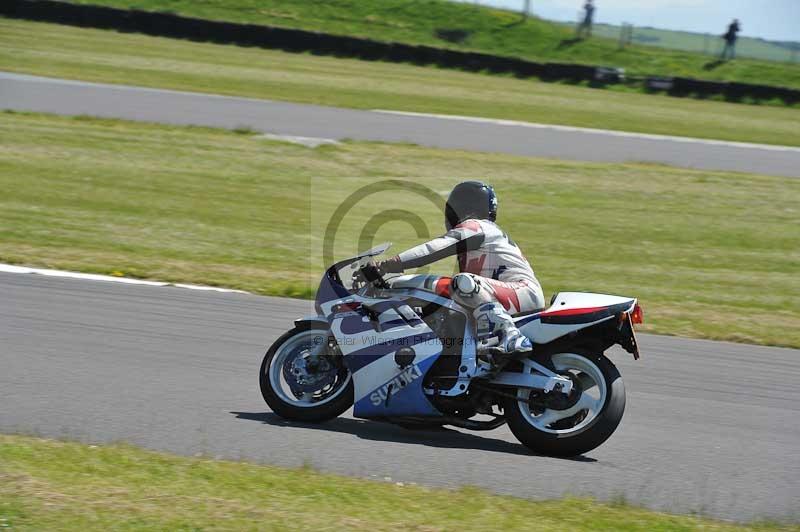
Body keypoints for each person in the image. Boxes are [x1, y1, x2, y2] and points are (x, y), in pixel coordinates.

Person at [378, 181, 545, 354]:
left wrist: (388, 264)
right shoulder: (485, 232)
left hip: (521, 292)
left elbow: (433, 249)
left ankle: (508, 337)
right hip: (507, 295)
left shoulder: (478, 226)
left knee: (462, 283)